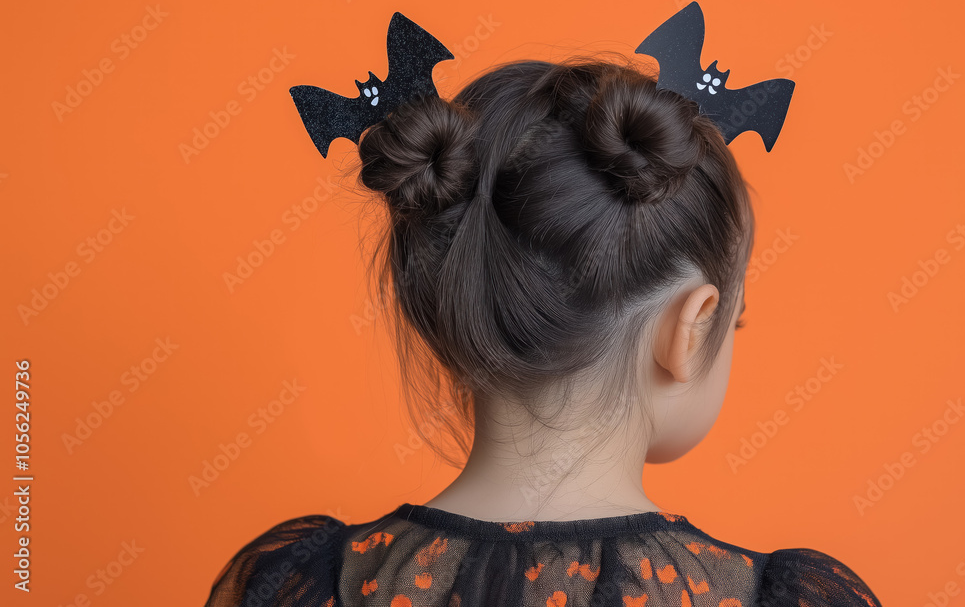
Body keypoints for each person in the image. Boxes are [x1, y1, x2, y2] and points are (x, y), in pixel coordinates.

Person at [203, 57, 882, 606]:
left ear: (449, 310)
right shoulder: (773, 599)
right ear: (693, 327)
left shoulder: (302, 588)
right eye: (734, 319)